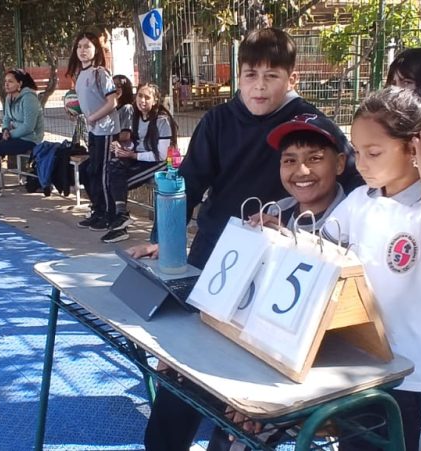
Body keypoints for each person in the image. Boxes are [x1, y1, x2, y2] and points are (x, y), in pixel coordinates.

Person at [128, 27, 360, 451]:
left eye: (271, 76)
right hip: (214, 254)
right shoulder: (218, 121)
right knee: (185, 365)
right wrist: (164, 238)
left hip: (274, 267)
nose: (259, 86)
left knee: (247, 378)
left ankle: (233, 437)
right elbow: (189, 183)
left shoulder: (308, 125)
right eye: (250, 75)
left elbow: (354, 183)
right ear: (238, 76)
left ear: (291, 77)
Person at [311, 87, 421, 451]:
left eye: (374, 152)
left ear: (415, 149)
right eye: (357, 152)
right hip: (362, 370)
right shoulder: (360, 200)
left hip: (415, 377)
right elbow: (321, 250)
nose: (360, 163)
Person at [101, 83, 177, 243]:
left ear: (155, 100)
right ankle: (120, 218)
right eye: (140, 96)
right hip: (139, 158)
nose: (142, 100)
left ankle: (120, 223)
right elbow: (135, 144)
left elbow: (162, 155)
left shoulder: (162, 121)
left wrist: (133, 155)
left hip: (159, 163)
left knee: (118, 183)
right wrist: (121, 148)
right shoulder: (136, 116)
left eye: (147, 97)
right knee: (112, 167)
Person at [66, 31, 121, 230]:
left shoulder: (101, 73)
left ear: (95, 49)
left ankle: (110, 214)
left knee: (104, 172)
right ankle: (98, 210)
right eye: (79, 46)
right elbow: (85, 103)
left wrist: (93, 117)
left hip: (106, 130)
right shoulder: (80, 75)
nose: (82, 50)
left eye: (87, 46)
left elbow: (112, 102)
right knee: (91, 170)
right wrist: (75, 111)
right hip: (93, 131)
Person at [0, 69, 45, 200]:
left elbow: (29, 127)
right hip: (14, 134)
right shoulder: (9, 98)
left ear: (20, 83)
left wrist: (10, 134)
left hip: (30, 138)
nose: (6, 84)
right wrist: (5, 130)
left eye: (10, 81)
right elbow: (7, 118)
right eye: (5, 81)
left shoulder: (29, 98)